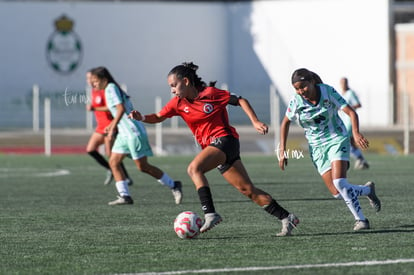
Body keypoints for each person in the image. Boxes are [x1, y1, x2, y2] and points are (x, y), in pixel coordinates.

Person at [129, 62, 299, 236]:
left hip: (225, 140)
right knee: (248, 190)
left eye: (174, 85)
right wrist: (141, 117)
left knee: (194, 168)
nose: (172, 90)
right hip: (216, 148)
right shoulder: (178, 103)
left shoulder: (210, 94)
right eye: (170, 87)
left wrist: (255, 121)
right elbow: (158, 116)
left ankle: (210, 213)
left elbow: (240, 100)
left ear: (186, 81)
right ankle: (287, 218)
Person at [278, 68, 381, 231]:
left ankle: (361, 220)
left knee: (340, 182)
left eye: (303, 87)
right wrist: (282, 150)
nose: (300, 91)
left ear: (311, 82)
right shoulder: (296, 101)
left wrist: (355, 133)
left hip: (337, 138)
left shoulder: (327, 91)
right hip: (317, 148)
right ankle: (367, 190)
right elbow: (285, 122)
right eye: (297, 89)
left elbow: (351, 112)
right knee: (337, 192)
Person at [89, 66, 183, 206]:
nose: (93, 84)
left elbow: (120, 109)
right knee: (113, 162)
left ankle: (174, 184)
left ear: (104, 79)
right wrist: (114, 125)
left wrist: (113, 125)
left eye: (95, 81)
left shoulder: (110, 88)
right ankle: (125, 196)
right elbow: (117, 109)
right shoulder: (109, 89)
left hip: (133, 132)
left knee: (142, 166)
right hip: (124, 134)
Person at [85, 70, 132, 186]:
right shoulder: (93, 91)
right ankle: (110, 169)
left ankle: (125, 177)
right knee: (90, 149)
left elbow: (111, 107)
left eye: (92, 78)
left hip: (108, 125)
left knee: (112, 154)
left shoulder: (105, 90)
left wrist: (94, 109)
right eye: (88, 79)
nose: (90, 81)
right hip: (100, 127)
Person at [338, 77, 369, 170]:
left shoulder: (350, 93)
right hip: (343, 120)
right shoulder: (341, 94)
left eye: (345, 82)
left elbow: (358, 104)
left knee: (344, 140)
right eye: (342, 82)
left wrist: (348, 108)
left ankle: (358, 159)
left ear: (347, 83)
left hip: (349, 121)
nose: (343, 84)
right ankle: (361, 159)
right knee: (350, 142)